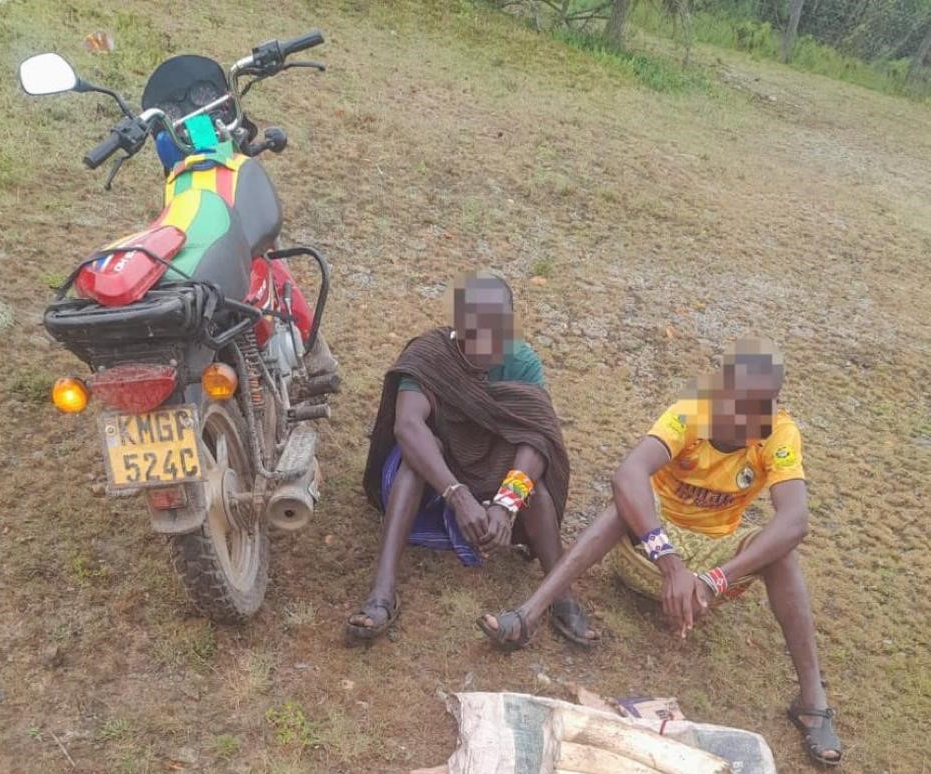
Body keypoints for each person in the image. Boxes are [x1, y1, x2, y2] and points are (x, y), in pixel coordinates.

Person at [478, 338, 842, 767]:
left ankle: (811, 701)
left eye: (770, 402)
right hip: (649, 549)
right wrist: (670, 564)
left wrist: (714, 579)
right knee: (624, 505)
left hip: (712, 569)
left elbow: (795, 519)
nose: (761, 415)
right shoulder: (690, 412)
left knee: (783, 551)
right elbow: (628, 474)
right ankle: (529, 614)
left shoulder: (780, 432)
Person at [347, 271, 596, 647]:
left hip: (490, 473)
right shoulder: (430, 355)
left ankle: (562, 596)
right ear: (459, 326)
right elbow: (408, 425)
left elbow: (536, 436)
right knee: (416, 460)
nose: (491, 343)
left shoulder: (522, 361)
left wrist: (506, 503)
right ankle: (382, 591)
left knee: (535, 490)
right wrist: (456, 493)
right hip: (436, 477)